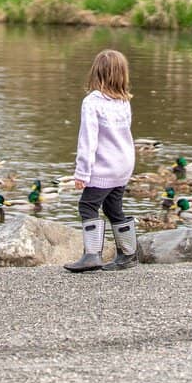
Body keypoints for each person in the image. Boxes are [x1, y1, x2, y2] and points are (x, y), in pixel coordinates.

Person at [64, 49, 137, 273]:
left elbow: (88, 141)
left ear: (96, 72)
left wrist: (82, 173)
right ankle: (128, 254)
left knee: (87, 205)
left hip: (104, 167)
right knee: (114, 208)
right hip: (123, 165)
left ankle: (92, 255)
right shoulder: (123, 101)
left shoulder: (92, 102)